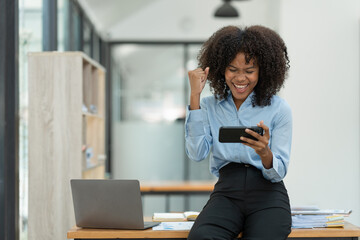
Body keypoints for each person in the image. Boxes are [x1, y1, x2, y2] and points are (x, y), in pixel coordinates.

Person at [185, 25, 292, 240]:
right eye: (233, 69)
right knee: (201, 237)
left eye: (249, 71)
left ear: (263, 71)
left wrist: (265, 153)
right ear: (220, 69)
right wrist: (195, 96)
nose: (240, 78)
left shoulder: (279, 108)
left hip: (267, 194)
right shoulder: (208, 106)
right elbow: (196, 153)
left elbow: (278, 172)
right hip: (227, 192)